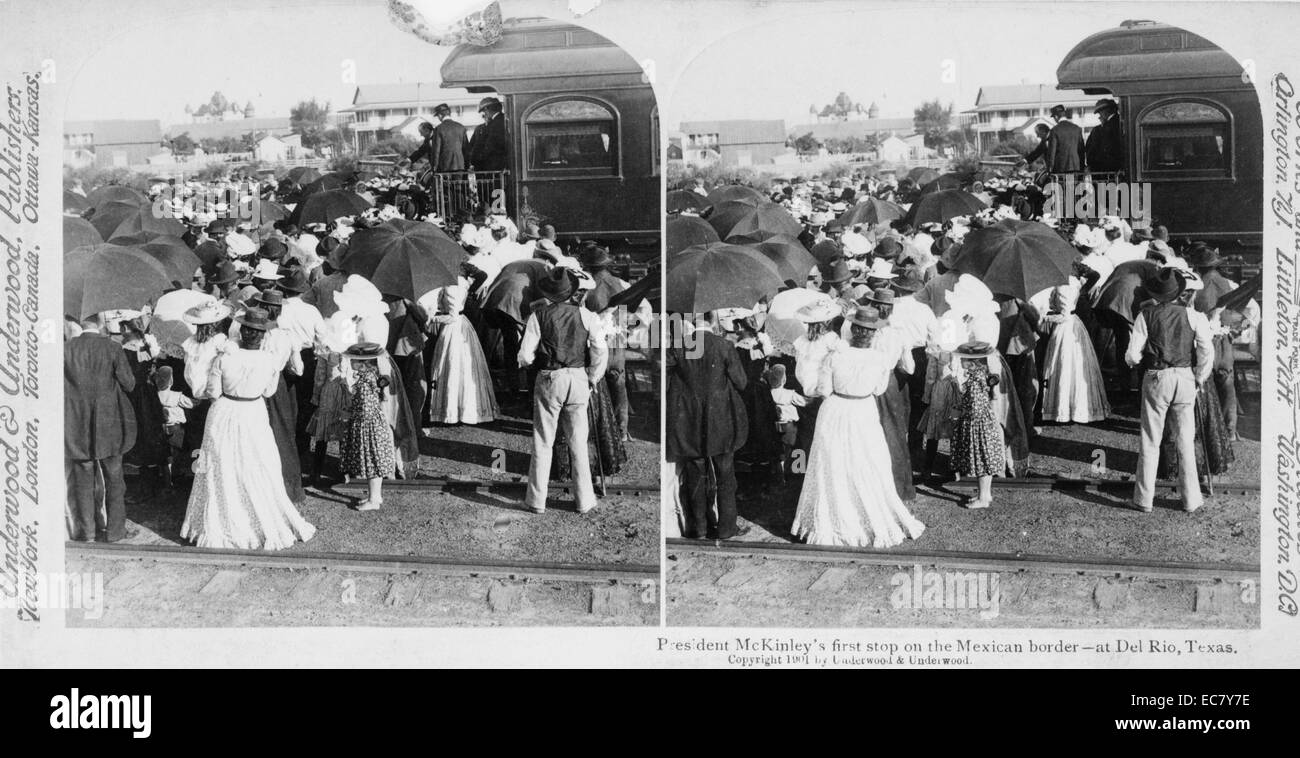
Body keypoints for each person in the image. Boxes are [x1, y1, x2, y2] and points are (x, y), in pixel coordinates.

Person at [181, 307, 316, 550]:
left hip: (224, 412)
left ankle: (223, 521)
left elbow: (213, 392)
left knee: (222, 465)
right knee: (258, 463)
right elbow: (269, 391)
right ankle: (256, 518)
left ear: (242, 332)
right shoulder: (269, 361)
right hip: (253, 412)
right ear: (262, 336)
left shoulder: (224, 358)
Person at [791, 306, 926, 547]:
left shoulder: (835, 356)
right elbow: (878, 389)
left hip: (834, 410)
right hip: (863, 410)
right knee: (868, 462)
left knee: (832, 464)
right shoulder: (880, 360)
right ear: (873, 334)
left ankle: (835, 519)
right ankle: (865, 515)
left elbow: (824, 390)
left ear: (853, 331)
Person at [517, 267, 608, 514]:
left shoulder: (539, 316)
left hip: (550, 378)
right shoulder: (588, 316)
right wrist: (592, 377)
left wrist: (529, 364)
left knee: (543, 440)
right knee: (578, 441)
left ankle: (536, 501)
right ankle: (585, 501)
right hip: (578, 378)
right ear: (573, 292)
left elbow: (525, 355)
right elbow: (600, 350)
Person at [1125, 267, 1215, 513]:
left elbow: (1133, 355)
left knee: (1150, 439)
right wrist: (1199, 377)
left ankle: (1144, 500)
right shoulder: (1194, 316)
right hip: (1185, 377)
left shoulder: (1146, 315)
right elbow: (1207, 350)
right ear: (1181, 292)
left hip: (1157, 377)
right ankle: (1191, 500)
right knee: (1186, 440)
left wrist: (1133, 363)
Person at [666, 313, 749, 540]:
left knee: (696, 475)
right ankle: (726, 529)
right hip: (721, 421)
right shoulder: (724, 345)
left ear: (693, 323)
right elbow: (741, 382)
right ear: (713, 323)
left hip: (690, 422)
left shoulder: (680, 347)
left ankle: (700, 529)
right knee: (725, 476)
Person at [65, 314, 137, 543]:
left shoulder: (66, 348)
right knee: (115, 477)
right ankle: (116, 532)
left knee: (82, 479)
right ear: (100, 323)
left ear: (79, 323)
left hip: (76, 423)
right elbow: (129, 383)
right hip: (109, 422)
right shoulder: (112, 347)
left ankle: (85, 532)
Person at [1037, 276, 1111, 423]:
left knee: (1065, 364)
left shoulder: (1063, 286)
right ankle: (1073, 408)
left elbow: (1065, 314)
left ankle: (1066, 409)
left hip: (1066, 328)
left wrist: (1045, 318)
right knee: (1074, 364)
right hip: (1074, 324)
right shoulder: (1075, 282)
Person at [427, 284, 498, 424]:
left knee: (453, 365)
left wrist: (432, 319)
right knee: (464, 367)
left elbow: (452, 316)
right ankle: (463, 410)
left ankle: (454, 412)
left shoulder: (450, 287)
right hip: (463, 325)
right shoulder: (462, 283)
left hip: (453, 328)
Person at [948, 341, 1006, 509]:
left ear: (972, 363)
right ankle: (985, 494)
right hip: (983, 424)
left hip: (977, 426)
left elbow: (974, 408)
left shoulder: (975, 381)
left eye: (963, 360)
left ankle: (983, 498)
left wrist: (957, 414)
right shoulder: (979, 376)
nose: (960, 362)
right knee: (983, 460)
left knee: (981, 460)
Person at [340, 342, 397, 511]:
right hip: (374, 423)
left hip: (368, 426)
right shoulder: (370, 377)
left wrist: (350, 413)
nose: (350, 363)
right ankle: (375, 495)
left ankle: (374, 500)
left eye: (354, 361)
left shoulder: (365, 383)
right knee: (374, 460)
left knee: (371, 460)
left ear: (363, 364)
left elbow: (365, 408)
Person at [153, 365, 194, 490]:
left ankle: (166, 481)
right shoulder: (177, 396)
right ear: (171, 380)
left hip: (161, 428)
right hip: (176, 429)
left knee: (166, 457)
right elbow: (190, 404)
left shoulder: (155, 395)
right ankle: (176, 479)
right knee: (178, 454)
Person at [1085, 99, 1124, 174]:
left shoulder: (1103, 128)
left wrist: (1092, 165)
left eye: (1100, 112)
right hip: (1118, 169)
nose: (1100, 116)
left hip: (1106, 170)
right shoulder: (1121, 122)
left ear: (1105, 111)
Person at [1045, 105, 1085, 175]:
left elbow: (1052, 152)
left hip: (1061, 168)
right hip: (1076, 167)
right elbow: (1081, 150)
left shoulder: (1055, 130)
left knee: (1063, 186)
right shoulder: (1077, 128)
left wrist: (1049, 169)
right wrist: (1082, 166)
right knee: (1073, 185)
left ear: (1056, 117)